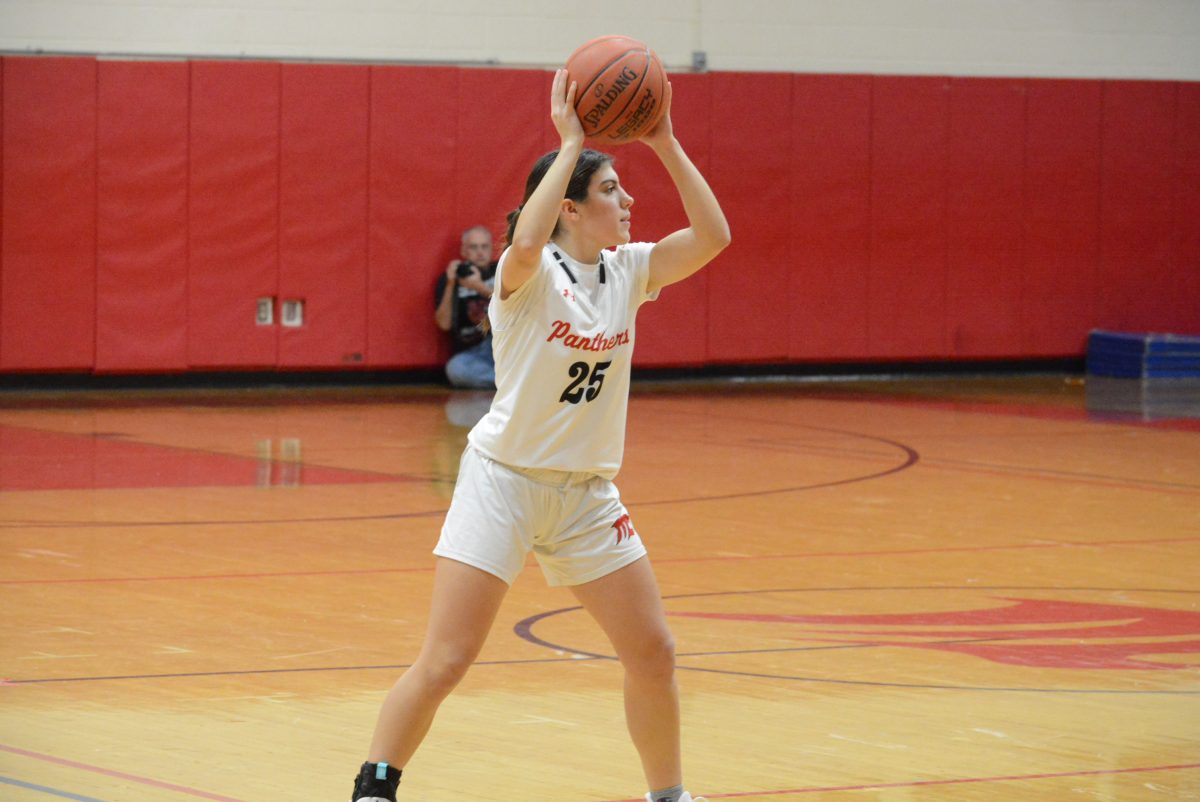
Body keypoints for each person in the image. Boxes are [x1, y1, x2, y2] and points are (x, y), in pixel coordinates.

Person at [349, 69, 730, 802]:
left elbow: (715, 237)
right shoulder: (529, 276)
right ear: (572, 210)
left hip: (586, 495)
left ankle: (669, 796)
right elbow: (524, 235)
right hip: (505, 483)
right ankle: (375, 787)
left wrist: (666, 139)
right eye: (612, 190)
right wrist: (573, 142)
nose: (629, 201)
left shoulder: (628, 271)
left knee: (653, 652)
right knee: (448, 660)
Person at [434, 225, 497, 388]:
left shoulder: (502, 271)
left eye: (484, 246)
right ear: (464, 252)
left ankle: (513, 382)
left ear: (491, 248)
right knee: (456, 369)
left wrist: (479, 287)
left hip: (501, 344)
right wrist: (450, 283)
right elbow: (444, 324)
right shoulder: (451, 279)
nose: (480, 252)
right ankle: (510, 385)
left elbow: (517, 309)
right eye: (474, 247)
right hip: (472, 351)